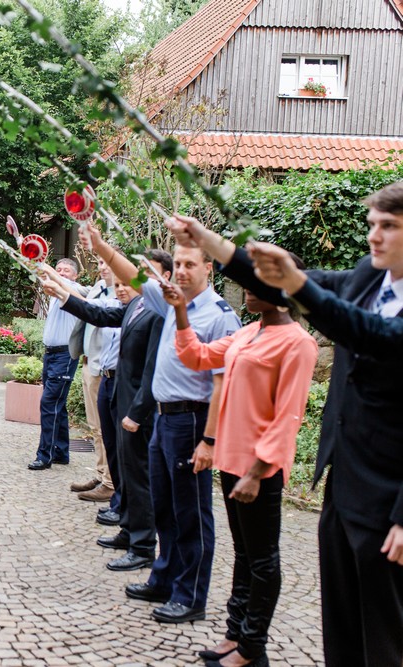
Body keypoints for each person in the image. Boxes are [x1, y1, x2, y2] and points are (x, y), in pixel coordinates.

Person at [166, 181, 403, 667]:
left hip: (390, 496)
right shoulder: (369, 276)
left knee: (386, 636)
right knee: (342, 625)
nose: (374, 236)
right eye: (372, 224)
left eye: (389, 226)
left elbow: (368, 332)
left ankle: (250, 644)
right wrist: (209, 241)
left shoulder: (309, 336)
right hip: (345, 483)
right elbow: (280, 280)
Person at [83, 223, 241, 623]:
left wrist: (209, 440)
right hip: (164, 417)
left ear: (209, 268)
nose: (182, 271)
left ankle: (190, 595)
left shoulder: (220, 316)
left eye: (191, 264)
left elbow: (223, 385)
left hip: (193, 419)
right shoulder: (170, 300)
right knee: (165, 508)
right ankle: (164, 578)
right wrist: (100, 246)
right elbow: (133, 275)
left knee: (191, 513)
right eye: (179, 264)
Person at [161, 275, 316, 667]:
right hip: (231, 462)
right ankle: (235, 635)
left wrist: (258, 471)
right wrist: (180, 311)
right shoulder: (247, 333)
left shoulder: (298, 343)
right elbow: (197, 356)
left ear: (284, 290)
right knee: (244, 555)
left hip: (259, 469)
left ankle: (252, 648)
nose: (246, 287)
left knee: (263, 559)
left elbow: (289, 416)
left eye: (256, 282)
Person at [43, 250, 170, 573]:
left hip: (137, 404)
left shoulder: (159, 311)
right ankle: (128, 528)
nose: (133, 278)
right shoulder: (135, 306)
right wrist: (63, 295)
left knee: (139, 474)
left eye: (144, 272)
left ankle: (142, 545)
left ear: (163, 277)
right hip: (117, 392)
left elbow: (153, 368)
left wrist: (137, 411)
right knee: (123, 465)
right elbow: (98, 314)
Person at [27, 258, 87, 470]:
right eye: (58, 269)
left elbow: (58, 281)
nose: (61, 273)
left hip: (65, 355)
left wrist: (48, 269)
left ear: (75, 275)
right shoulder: (54, 292)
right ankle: (61, 452)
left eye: (66, 270)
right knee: (57, 405)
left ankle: (45, 455)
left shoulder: (74, 290)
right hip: (50, 354)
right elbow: (44, 277)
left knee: (49, 403)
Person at [71, 258, 116, 504]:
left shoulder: (120, 294)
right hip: (89, 363)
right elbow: (71, 287)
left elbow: (84, 304)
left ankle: (110, 482)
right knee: (94, 427)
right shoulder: (99, 286)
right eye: (100, 262)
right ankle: (100, 475)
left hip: (104, 369)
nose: (102, 267)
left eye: (108, 262)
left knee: (104, 428)